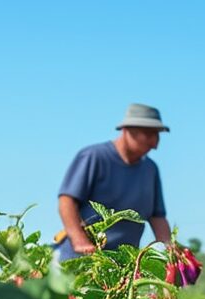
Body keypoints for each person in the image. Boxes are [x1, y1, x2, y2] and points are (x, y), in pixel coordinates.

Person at [54, 103, 172, 261]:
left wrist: (169, 252)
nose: (155, 144)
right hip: (81, 260)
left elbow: (157, 217)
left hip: (123, 266)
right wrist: (79, 240)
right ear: (127, 130)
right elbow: (66, 201)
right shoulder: (93, 157)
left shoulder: (150, 169)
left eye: (157, 135)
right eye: (149, 134)